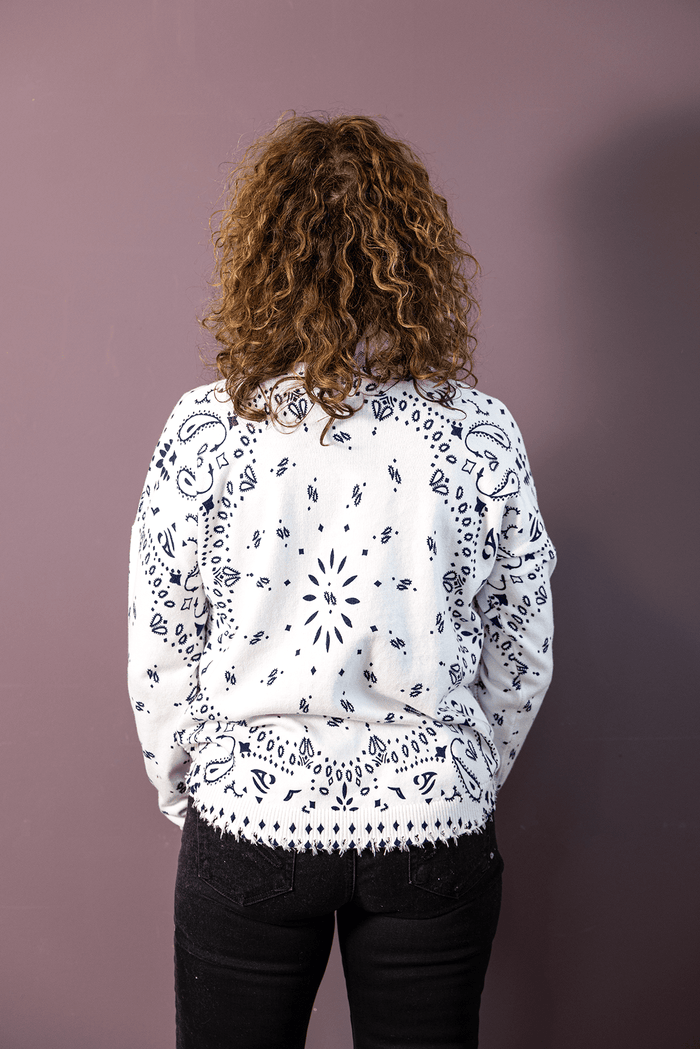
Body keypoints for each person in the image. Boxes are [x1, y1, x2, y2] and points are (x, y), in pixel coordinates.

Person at [128, 112, 556, 1049]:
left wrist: (193, 788)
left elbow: (162, 637)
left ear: (261, 255)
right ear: (416, 256)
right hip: (433, 824)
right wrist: (458, 770)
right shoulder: (479, 431)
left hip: (248, 821)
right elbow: (522, 645)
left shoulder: (206, 428)